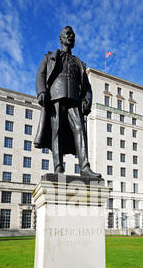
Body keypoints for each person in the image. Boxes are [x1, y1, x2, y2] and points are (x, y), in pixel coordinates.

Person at [34, 26, 101, 178]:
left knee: (80, 131)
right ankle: (58, 168)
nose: (71, 37)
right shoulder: (49, 57)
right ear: (61, 38)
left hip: (74, 101)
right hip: (55, 98)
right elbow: (40, 76)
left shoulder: (78, 63)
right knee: (56, 131)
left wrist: (87, 99)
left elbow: (86, 87)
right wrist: (42, 92)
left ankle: (84, 167)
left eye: (73, 35)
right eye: (68, 34)